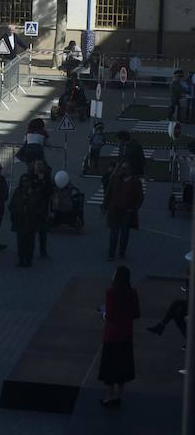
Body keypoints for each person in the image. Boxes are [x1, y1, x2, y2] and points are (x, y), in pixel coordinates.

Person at [100, 266, 140, 406]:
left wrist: (103, 313)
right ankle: (119, 395)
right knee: (123, 365)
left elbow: (110, 316)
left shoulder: (111, 293)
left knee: (110, 366)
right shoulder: (132, 292)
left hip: (112, 336)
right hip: (126, 336)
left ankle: (109, 395)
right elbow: (136, 313)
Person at [104, 161, 143, 261]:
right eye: (122, 168)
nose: (123, 171)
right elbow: (109, 192)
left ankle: (122, 252)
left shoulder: (135, 182)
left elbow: (139, 197)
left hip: (127, 211)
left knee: (125, 233)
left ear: (130, 170)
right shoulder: (116, 179)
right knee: (114, 232)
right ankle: (111, 253)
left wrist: (133, 208)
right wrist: (105, 205)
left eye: (126, 169)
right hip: (115, 210)